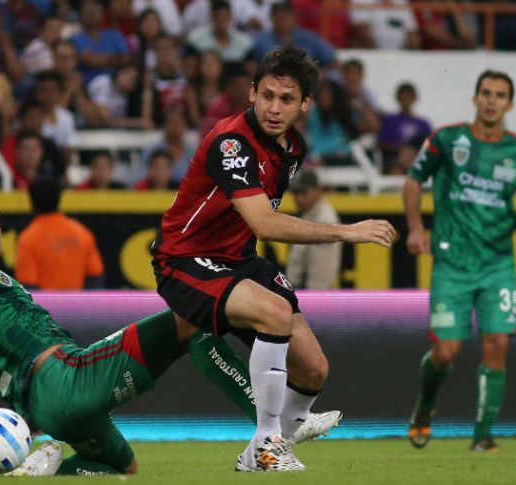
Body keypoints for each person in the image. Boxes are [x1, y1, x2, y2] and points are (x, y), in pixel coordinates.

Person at [0, 192, 340, 477]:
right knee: (194, 315)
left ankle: (43, 470)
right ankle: (274, 431)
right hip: (65, 376)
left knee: (122, 468)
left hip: (50, 414)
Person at [151, 45, 395, 472]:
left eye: (286, 99)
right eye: (267, 95)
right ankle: (267, 444)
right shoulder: (231, 144)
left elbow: (256, 227)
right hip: (186, 259)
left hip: (238, 259)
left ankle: (268, 442)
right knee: (275, 312)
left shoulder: (293, 148)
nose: (274, 108)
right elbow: (264, 222)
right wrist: (346, 231)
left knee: (314, 370)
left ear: (305, 104)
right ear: (251, 94)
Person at [403, 70, 516, 452]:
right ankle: (425, 406)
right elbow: (413, 179)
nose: (492, 100)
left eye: (500, 95)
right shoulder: (447, 138)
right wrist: (415, 228)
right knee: (446, 353)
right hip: (451, 264)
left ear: (510, 104)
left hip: (497, 264)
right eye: (486, 93)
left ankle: (482, 437)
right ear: (475, 99)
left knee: (496, 343)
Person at [16, 176, 105, 289]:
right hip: (77, 305)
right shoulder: (81, 232)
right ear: (59, 199)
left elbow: (27, 287)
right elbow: (96, 278)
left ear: (31, 202)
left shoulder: (28, 239)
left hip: (46, 305)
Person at [285, 170, 342, 289]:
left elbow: (321, 268)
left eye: (303, 192)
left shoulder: (324, 220)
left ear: (318, 191)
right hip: (300, 291)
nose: (298, 198)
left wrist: (313, 299)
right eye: (295, 192)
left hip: (311, 295)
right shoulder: (309, 213)